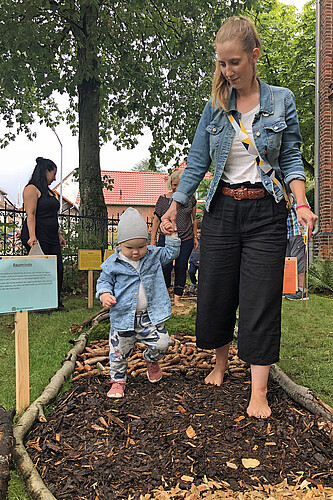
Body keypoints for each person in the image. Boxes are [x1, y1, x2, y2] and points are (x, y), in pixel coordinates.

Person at [160, 16, 317, 418]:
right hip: (221, 210)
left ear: (254, 56)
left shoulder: (281, 100)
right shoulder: (215, 108)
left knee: (261, 296)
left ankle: (259, 389)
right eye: (222, 63)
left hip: (266, 209)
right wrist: (177, 202)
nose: (227, 71)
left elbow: (292, 158)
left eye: (234, 62)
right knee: (215, 289)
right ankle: (220, 361)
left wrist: (301, 202)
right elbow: (196, 162)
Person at [96, 207, 181, 398]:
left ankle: (151, 360)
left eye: (140, 247)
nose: (135, 252)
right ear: (120, 245)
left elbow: (171, 253)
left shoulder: (153, 255)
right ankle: (118, 381)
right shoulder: (113, 263)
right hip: (123, 318)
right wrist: (104, 295)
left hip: (148, 318)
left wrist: (172, 234)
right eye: (129, 248)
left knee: (162, 343)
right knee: (118, 353)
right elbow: (103, 281)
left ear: (146, 243)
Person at [21, 157, 67, 312]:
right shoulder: (31, 189)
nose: (54, 178)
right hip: (37, 236)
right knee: (41, 270)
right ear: (45, 171)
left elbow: (54, 216)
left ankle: (55, 302)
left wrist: (59, 234)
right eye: (53, 174)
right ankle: (40, 305)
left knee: (58, 268)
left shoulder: (50, 192)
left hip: (52, 235)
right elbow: (31, 214)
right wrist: (32, 237)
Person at [151, 169, 198, 307]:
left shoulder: (190, 199)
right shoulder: (163, 199)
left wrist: (195, 237)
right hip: (166, 239)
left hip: (186, 238)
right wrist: (153, 240)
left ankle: (177, 298)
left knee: (181, 266)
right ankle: (165, 294)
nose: (176, 188)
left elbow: (194, 219)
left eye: (179, 185)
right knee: (165, 266)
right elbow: (156, 221)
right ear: (170, 184)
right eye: (174, 184)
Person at [284, 196, 308, 301]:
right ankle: (289, 289)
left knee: (299, 261)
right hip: (286, 234)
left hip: (297, 233)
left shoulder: (299, 197)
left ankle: (302, 291)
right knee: (288, 262)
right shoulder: (281, 196)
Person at [188, 221, 201, 293]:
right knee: (191, 271)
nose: (198, 234)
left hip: (202, 261)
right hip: (193, 260)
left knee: (201, 275)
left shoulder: (204, 241)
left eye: (200, 233)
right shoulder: (192, 240)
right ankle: (194, 283)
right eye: (197, 232)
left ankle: (200, 286)